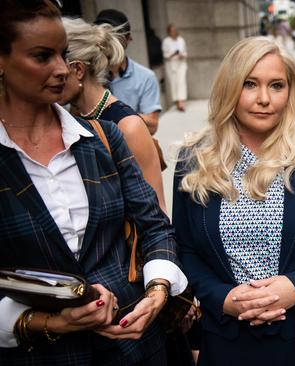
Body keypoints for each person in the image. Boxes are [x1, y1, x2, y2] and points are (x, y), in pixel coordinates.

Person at [0, 1, 188, 364]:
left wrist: (157, 291)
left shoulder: (102, 139)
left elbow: (155, 226)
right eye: (42, 56)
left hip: (136, 344)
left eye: (63, 54)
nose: (60, 69)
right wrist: (49, 322)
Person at [172, 37, 295, 366]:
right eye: (250, 84)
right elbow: (186, 251)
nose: (264, 99)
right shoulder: (195, 160)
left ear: (290, 91)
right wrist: (225, 298)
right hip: (226, 343)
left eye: (276, 85)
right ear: (230, 88)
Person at [58, 17, 166, 210]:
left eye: (55, 61)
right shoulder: (70, 118)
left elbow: (158, 214)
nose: (49, 73)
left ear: (78, 69)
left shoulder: (128, 126)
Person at [94, 9, 161, 135]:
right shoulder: (87, 74)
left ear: (128, 39)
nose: (109, 42)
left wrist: (116, 113)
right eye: (104, 35)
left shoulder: (145, 76)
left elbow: (152, 125)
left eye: (115, 35)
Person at [162, 24, 188, 112]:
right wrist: (173, 54)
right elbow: (165, 55)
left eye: (175, 30)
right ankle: (177, 101)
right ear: (169, 32)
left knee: (181, 82)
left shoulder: (181, 40)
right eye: (172, 30)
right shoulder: (166, 41)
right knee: (174, 83)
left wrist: (181, 55)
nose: (174, 32)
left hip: (181, 63)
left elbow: (185, 52)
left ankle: (181, 102)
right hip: (171, 64)